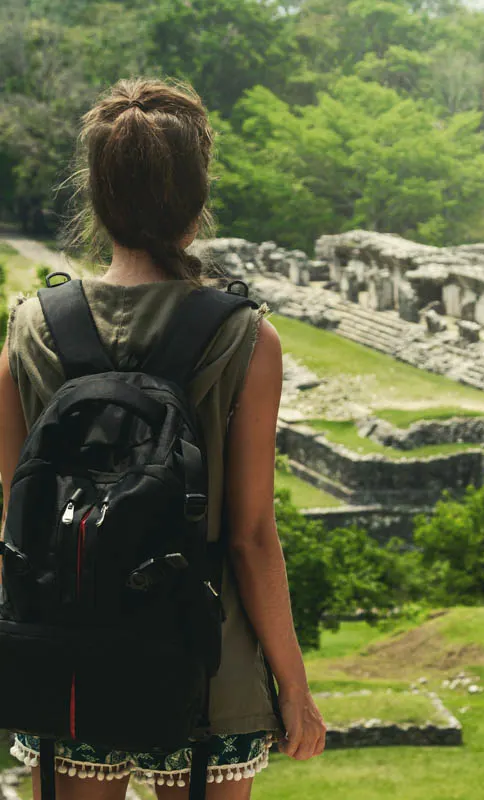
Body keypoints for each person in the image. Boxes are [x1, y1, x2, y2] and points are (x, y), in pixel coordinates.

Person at [0, 77, 326, 799]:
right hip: (206, 669)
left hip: (67, 656)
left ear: (98, 194)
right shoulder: (244, 337)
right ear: (196, 198)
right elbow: (249, 536)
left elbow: (15, 514)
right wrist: (294, 686)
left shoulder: (31, 327)